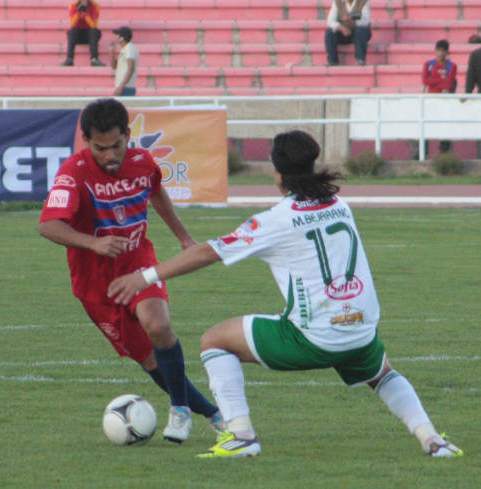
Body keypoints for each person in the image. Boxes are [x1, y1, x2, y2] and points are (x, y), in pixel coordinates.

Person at [108, 130, 463, 459]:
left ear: (276, 172)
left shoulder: (276, 220)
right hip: (361, 330)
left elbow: (208, 252)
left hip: (313, 337)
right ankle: (432, 440)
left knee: (214, 340)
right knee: (383, 374)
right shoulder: (339, 204)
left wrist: (146, 276)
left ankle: (241, 436)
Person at [38, 98, 223, 443]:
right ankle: (213, 413)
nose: (109, 156)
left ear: (127, 135)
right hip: (97, 285)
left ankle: (180, 411)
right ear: (87, 141)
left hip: (139, 263)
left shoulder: (142, 162)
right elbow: (48, 226)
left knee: (158, 323)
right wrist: (93, 243)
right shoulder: (73, 173)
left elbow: (157, 193)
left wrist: (184, 237)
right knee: (151, 361)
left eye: (116, 146)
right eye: (100, 148)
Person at [422, 39, 457, 154]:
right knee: (425, 125)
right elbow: (425, 80)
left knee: (445, 125)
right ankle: (422, 152)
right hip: (430, 100)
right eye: (438, 50)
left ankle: (444, 153)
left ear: (447, 52)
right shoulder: (428, 64)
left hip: (445, 100)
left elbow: (450, 83)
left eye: (443, 51)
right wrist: (441, 80)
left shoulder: (452, 66)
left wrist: (434, 81)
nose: (440, 53)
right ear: (435, 51)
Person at [325, 0, 371, 66]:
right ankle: (333, 61)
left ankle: (360, 60)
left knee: (361, 30)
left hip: (358, 33)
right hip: (344, 33)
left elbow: (365, 21)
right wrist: (341, 27)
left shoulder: (363, 1)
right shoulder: (337, 2)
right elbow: (330, 21)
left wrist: (351, 21)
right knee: (330, 32)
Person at [62, 0, 105, 67]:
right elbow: (72, 25)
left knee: (94, 31)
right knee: (71, 31)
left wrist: (86, 15)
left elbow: (94, 26)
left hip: (90, 36)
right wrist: (78, 14)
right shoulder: (73, 6)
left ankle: (94, 59)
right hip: (77, 35)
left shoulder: (95, 6)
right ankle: (69, 59)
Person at [111, 26, 139, 96]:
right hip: (122, 86)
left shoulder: (129, 48)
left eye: (117, 35)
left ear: (122, 38)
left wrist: (121, 86)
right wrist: (111, 53)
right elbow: (114, 67)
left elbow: (131, 68)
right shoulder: (124, 49)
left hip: (126, 87)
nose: (115, 37)